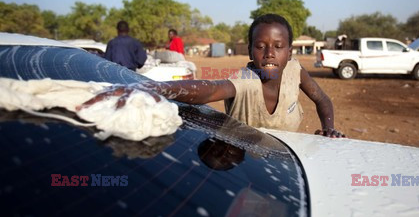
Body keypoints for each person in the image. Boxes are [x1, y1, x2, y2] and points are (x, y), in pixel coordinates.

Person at [81, 14, 344, 138]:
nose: (270, 54)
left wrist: (329, 128)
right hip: (248, 163)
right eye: (261, 46)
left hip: (289, 154)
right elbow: (210, 89)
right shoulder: (246, 79)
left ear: (289, 51)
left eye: (278, 46)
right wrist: (153, 88)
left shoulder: (296, 71)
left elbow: (323, 100)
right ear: (251, 51)